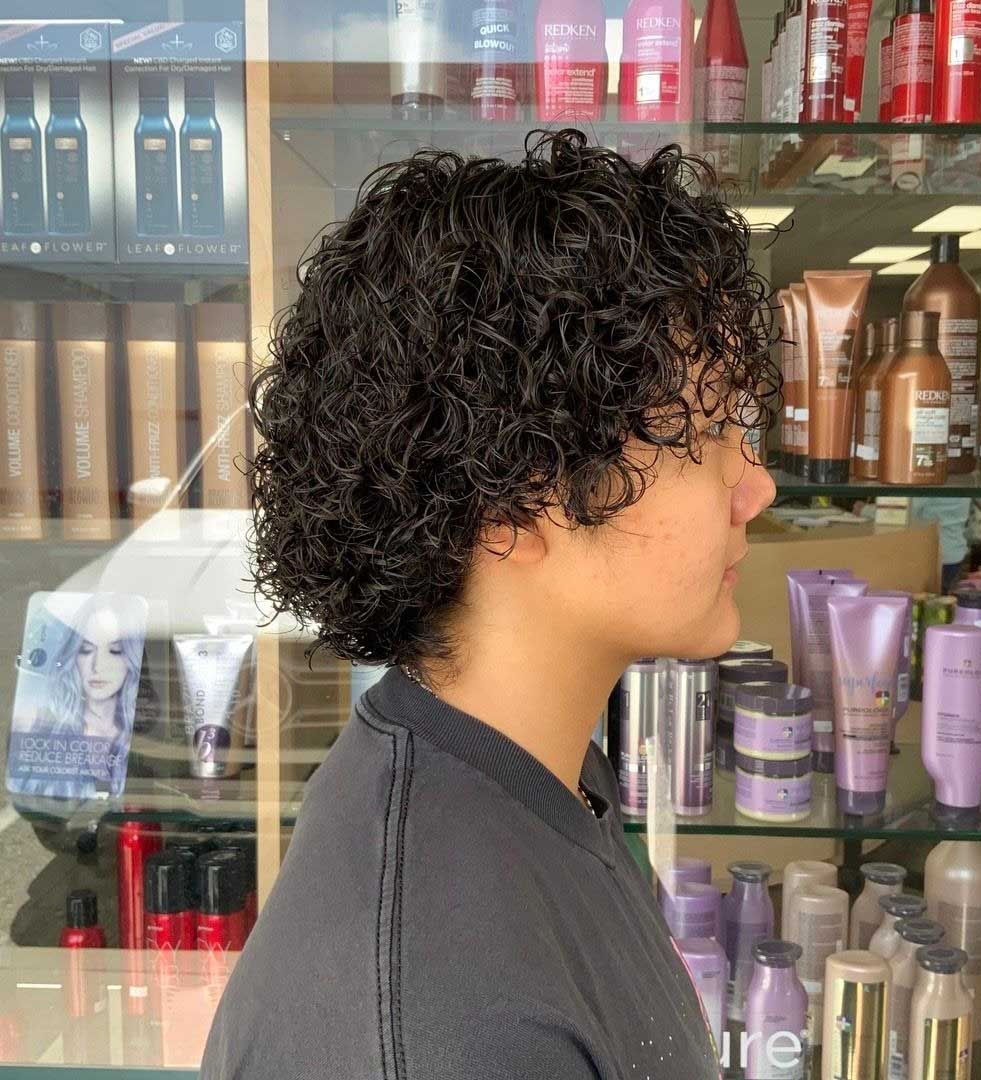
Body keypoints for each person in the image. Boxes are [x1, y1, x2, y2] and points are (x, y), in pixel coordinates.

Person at [201, 130, 778, 1080]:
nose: (755, 487)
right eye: (706, 433)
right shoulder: (444, 1028)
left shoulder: (533, 774)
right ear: (512, 500)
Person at [9, 592, 145, 800]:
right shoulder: (45, 731)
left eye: (115, 651)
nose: (98, 666)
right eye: (86, 650)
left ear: (131, 659)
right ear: (73, 655)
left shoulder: (146, 738)